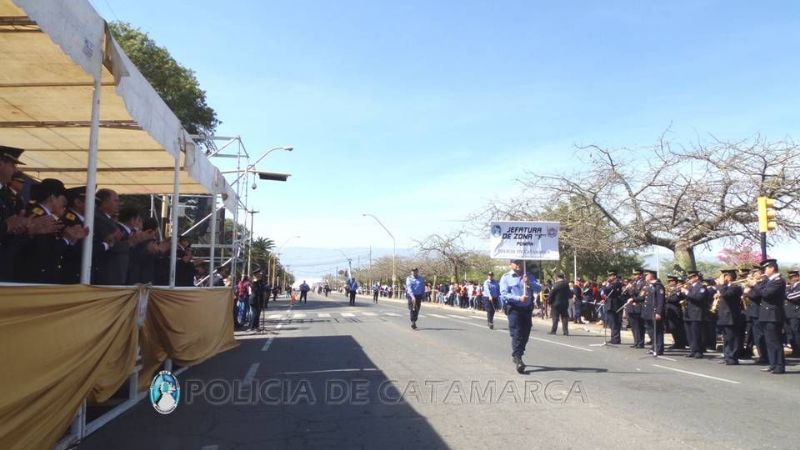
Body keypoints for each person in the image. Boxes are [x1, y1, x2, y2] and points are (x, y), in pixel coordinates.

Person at [500, 260, 542, 374]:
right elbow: (504, 294)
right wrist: (518, 298)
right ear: (511, 264)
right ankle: (518, 358)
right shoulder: (506, 277)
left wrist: (529, 283)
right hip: (514, 308)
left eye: (519, 262)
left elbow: (539, 288)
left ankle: (518, 353)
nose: (518, 264)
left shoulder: (528, 276)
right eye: (515, 262)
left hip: (527, 309)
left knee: (525, 333)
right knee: (517, 332)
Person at [749, 259, 786, 374]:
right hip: (766, 314)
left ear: (772, 268)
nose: (764, 271)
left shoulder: (778, 281)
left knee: (775, 341)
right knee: (769, 342)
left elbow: (766, 294)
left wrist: (755, 284)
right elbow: (758, 293)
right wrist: (755, 284)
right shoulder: (768, 280)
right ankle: (773, 364)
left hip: (773, 315)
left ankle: (779, 365)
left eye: (765, 268)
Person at [716, 269, 743, 365]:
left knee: (733, 338)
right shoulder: (726, 287)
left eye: (724, 276)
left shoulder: (735, 287)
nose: (722, 278)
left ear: (729, 277)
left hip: (731, 316)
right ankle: (727, 356)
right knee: (726, 338)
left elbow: (727, 295)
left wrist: (721, 285)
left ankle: (733, 357)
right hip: (724, 316)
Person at [682, 270, 709, 359]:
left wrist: (686, 293)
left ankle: (699, 351)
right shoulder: (690, 287)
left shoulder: (701, 287)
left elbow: (698, 298)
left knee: (697, 333)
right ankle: (693, 349)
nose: (688, 279)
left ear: (696, 277)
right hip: (689, 313)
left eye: (690, 277)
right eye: (688, 278)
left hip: (697, 313)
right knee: (690, 333)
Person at [642, 269, 665, 355]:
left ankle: (659, 348)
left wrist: (659, 312)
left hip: (655, 312)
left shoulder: (658, 286)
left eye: (647, 275)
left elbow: (660, 300)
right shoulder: (650, 286)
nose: (645, 277)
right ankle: (654, 346)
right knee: (651, 331)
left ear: (651, 276)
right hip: (648, 312)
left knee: (657, 331)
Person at [664, 275, 688, 350]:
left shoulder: (678, 290)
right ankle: (677, 342)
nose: (669, 283)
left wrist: (667, 298)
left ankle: (680, 344)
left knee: (677, 328)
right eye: (668, 281)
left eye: (671, 281)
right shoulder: (668, 290)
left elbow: (675, 299)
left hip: (676, 311)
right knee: (672, 328)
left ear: (675, 282)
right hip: (669, 311)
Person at [625, 268, 646, 348]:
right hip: (631, 307)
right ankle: (636, 341)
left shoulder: (644, 283)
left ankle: (640, 342)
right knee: (633, 326)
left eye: (636, 274)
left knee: (639, 326)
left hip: (638, 306)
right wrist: (628, 289)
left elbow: (641, 295)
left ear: (640, 275)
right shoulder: (633, 283)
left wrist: (632, 289)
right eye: (634, 275)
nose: (634, 276)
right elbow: (630, 293)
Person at [600, 271, 623, 344]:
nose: (609, 277)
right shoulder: (610, 284)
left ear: (614, 276)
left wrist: (604, 286)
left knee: (615, 323)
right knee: (611, 323)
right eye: (609, 276)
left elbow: (608, 291)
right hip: (609, 304)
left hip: (614, 305)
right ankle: (613, 337)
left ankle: (616, 339)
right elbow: (605, 293)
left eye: (611, 276)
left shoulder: (617, 283)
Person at [785, 269, 800, 358]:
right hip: (788, 313)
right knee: (789, 333)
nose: (791, 279)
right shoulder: (789, 287)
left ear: (798, 277)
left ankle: (798, 351)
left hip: (796, 313)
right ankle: (794, 349)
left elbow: (792, 297)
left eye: (793, 277)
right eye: (790, 277)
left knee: (796, 332)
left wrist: (786, 294)